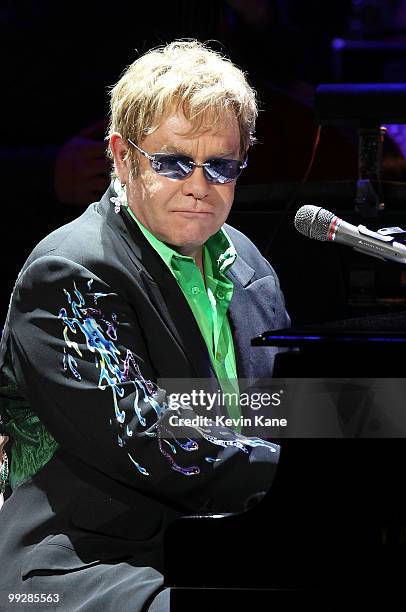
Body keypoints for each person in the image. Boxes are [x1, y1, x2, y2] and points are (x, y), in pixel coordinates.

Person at [0, 40, 290, 611]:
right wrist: (316, 482)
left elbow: (269, 408)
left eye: (223, 166)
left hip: (225, 536)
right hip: (89, 557)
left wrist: (375, 421)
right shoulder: (69, 272)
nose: (200, 185)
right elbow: (146, 437)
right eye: (173, 162)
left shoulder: (247, 263)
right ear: (123, 156)